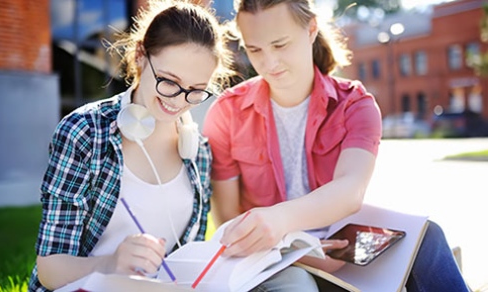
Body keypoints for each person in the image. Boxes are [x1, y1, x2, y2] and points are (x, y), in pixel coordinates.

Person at [202, 0, 470, 291]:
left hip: (343, 249)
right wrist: (293, 247)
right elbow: (228, 221)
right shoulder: (227, 112)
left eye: (280, 45)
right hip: (272, 259)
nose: (269, 63)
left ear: (311, 30)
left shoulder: (354, 104)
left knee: (428, 236)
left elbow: (350, 191)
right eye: (255, 49)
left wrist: (281, 219)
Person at [28, 1, 233, 291]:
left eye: (196, 90)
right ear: (139, 56)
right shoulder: (85, 132)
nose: (177, 100)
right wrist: (110, 263)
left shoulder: (196, 150)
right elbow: (50, 270)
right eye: (168, 81)